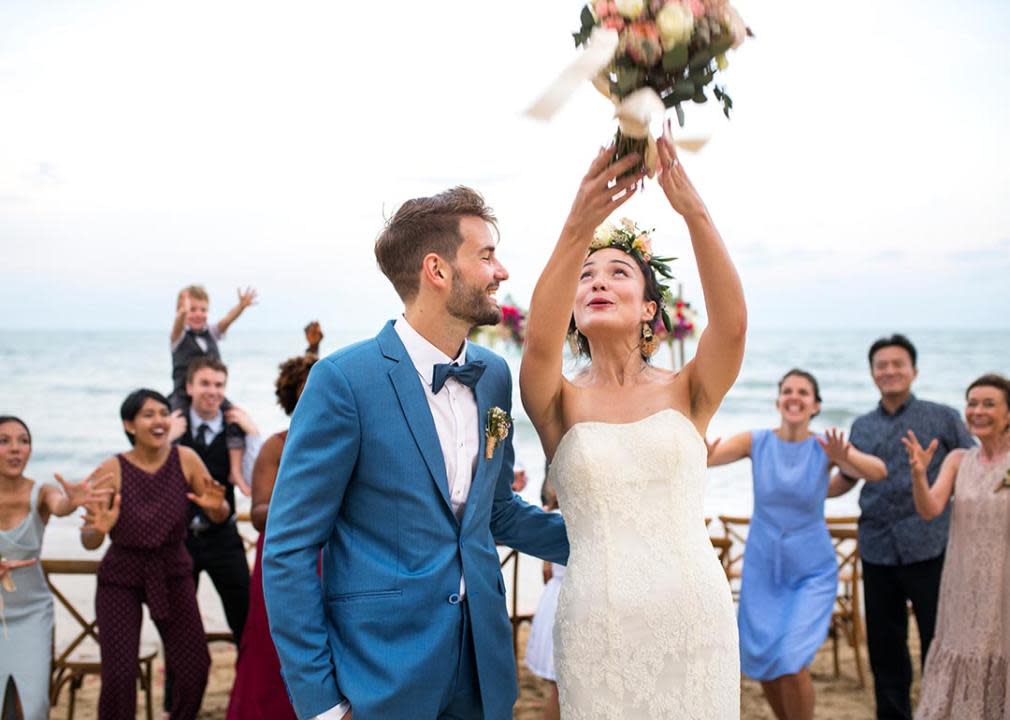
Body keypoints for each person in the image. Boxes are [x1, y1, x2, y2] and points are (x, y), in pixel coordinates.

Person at [263, 186, 569, 720]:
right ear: (438, 270)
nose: (501, 272)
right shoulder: (343, 381)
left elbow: (494, 511)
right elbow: (288, 551)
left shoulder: (494, 376)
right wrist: (321, 704)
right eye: (487, 256)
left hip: (483, 669)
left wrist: (607, 543)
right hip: (381, 674)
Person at [519, 135, 746, 717]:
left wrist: (693, 211)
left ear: (650, 309)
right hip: (598, 623)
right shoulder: (556, 401)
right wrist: (579, 224)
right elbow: (539, 343)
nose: (596, 282)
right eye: (585, 277)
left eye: (618, 272)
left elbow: (734, 324)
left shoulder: (688, 390)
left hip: (695, 616)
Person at [706, 370, 887, 720]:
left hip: (811, 571)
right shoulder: (755, 441)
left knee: (790, 657)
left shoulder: (826, 446)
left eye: (803, 392)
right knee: (764, 661)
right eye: (787, 391)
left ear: (815, 405)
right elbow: (709, 457)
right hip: (762, 568)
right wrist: (701, 449)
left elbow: (878, 471)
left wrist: (845, 455)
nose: (794, 396)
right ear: (777, 402)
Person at [839, 334, 974, 720]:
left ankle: (942, 710)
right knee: (885, 646)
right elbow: (849, 477)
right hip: (878, 545)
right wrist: (805, 486)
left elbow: (973, 466)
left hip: (931, 544)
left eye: (898, 364)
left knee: (939, 638)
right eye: (881, 365)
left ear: (914, 370)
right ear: (872, 373)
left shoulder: (943, 416)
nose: (890, 371)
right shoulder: (861, 425)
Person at [79, 390, 229, 720]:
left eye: (164, 412)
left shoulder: (186, 459)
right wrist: (98, 529)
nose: (159, 420)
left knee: (195, 667)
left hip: (173, 570)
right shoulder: (112, 468)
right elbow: (89, 539)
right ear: (129, 424)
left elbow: (219, 510)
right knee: (119, 676)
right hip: (121, 576)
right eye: (148, 414)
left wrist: (218, 508)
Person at [901, 373, 1010, 719]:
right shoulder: (959, 460)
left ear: (1008, 414)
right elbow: (930, 508)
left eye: (989, 404)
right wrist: (919, 474)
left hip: (1004, 582)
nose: (977, 411)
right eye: (972, 403)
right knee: (960, 650)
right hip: (963, 583)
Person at [227, 349, 319, 720]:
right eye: (306, 386)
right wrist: (301, 506)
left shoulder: (348, 437)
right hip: (285, 554)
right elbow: (258, 514)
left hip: (336, 554)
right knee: (272, 647)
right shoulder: (276, 446)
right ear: (292, 395)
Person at [0, 416, 110, 720]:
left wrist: (73, 502)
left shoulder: (41, 493)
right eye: (4, 441)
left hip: (32, 613)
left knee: (33, 705)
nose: (15, 449)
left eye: (23, 441)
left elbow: (60, 504)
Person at [164, 357, 256, 713]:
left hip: (223, 538)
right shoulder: (172, 428)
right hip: (180, 541)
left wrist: (252, 432)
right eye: (205, 384)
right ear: (188, 387)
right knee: (177, 627)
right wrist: (167, 440)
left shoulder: (235, 429)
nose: (213, 392)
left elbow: (251, 481)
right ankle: (174, 704)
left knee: (245, 618)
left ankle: (244, 697)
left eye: (219, 384)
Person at [169, 284, 257, 493]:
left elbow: (226, 321)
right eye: (193, 310)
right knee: (175, 422)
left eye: (203, 310)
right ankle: (174, 470)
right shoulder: (179, 337)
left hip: (211, 393)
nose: (198, 314)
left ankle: (235, 470)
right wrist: (183, 310)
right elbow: (178, 323)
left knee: (234, 417)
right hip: (183, 393)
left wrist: (241, 307)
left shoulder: (212, 333)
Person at [524, 477, 563, 720]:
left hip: (554, 600)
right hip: (563, 602)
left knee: (559, 691)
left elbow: (546, 573)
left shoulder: (553, 516)